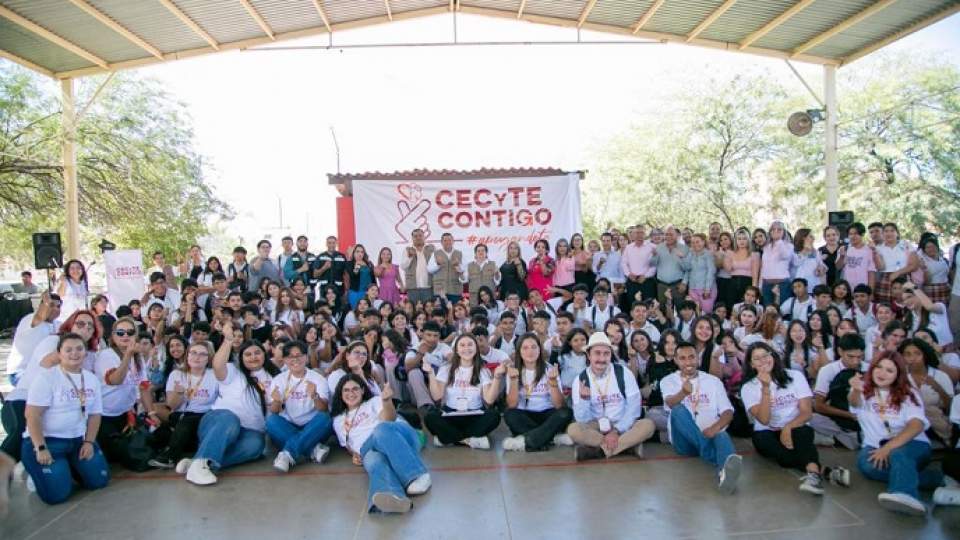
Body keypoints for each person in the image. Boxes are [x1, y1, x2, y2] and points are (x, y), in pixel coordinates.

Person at [740, 343, 846, 495]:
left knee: (802, 435)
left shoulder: (795, 376)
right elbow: (764, 420)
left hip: (796, 425)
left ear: (773, 356)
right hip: (766, 431)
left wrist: (788, 427)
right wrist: (765, 389)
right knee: (784, 457)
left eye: (765, 355)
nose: (763, 361)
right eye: (757, 359)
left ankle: (814, 477)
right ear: (751, 364)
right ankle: (826, 472)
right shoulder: (748, 387)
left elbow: (806, 412)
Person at [849, 350, 944, 516]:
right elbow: (854, 404)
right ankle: (937, 479)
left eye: (889, 370)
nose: (882, 373)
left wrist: (888, 449)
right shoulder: (864, 389)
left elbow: (916, 425)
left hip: (911, 443)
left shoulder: (909, 393)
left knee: (899, 455)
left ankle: (905, 494)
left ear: (898, 375)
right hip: (875, 444)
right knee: (867, 466)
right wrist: (856, 390)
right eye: (879, 367)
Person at [180, 321, 273, 485]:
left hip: (249, 431)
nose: (253, 357)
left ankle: (200, 462)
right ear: (241, 358)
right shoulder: (233, 371)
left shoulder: (275, 376)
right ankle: (200, 464)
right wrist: (228, 340)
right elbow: (217, 364)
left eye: (257, 352)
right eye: (248, 354)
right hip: (220, 422)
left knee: (257, 445)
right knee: (231, 418)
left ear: (264, 354)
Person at [21, 333, 110, 504]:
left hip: (78, 440)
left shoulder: (91, 379)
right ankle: (40, 470)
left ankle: (69, 467)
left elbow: (95, 414)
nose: (74, 353)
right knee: (58, 495)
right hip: (49, 442)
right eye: (68, 350)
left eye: (79, 349)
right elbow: (32, 415)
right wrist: (40, 447)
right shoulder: (47, 378)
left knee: (99, 481)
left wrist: (89, 442)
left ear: (85, 352)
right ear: (59, 353)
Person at [331, 374, 430, 514]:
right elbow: (348, 443)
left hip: (397, 438)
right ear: (340, 394)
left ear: (363, 390)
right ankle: (393, 496)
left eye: (355, 389)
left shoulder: (374, 402)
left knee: (380, 429)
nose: (351, 393)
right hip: (369, 449)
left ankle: (417, 475)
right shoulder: (338, 420)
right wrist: (354, 454)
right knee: (373, 460)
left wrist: (387, 400)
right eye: (346, 390)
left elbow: (389, 419)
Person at [661, 341, 742, 494]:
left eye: (691, 357)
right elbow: (670, 403)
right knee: (678, 410)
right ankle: (710, 453)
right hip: (683, 442)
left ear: (698, 359)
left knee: (722, 435)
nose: (688, 362)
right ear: (676, 360)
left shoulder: (713, 381)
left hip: (710, 433)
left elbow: (727, 412)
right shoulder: (668, 381)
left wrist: (715, 428)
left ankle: (724, 476)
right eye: (683, 358)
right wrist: (683, 393)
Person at [567, 332, 654, 461]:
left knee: (648, 425)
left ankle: (599, 451)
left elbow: (634, 407)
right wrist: (584, 400)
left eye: (606, 353)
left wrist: (616, 431)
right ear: (588, 355)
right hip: (596, 427)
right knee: (573, 430)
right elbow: (582, 419)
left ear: (611, 355)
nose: (602, 358)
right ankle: (626, 447)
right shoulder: (580, 380)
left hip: (623, 424)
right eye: (597, 353)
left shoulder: (624, 373)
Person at [94, 317, 155, 470]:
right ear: (113, 336)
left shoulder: (138, 357)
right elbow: (115, 380)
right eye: (120, 333)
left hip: (125, 415)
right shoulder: (106, 355)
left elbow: (144, 386)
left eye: (130, 332)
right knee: (119, 455)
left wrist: (151, 413)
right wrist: (127, 356)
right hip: (104, 417)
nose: (125, 336)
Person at [422, 334, 502, 449]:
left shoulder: (482, 370)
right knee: (430, 417)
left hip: (475, 415)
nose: (466, 348)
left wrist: (497, 378)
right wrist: (430, 374)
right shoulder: (446, 368)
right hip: (451, 415)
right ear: (457, 350)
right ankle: (469, 439)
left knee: (494, 415)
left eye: (470, 345)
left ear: (476, 348)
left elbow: (489, 400)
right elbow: (437, 396)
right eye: (462, 345)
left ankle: (448, 438)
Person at [148, 341, 219, 469]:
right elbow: (172, 405)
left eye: (203, 354)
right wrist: (179, 393)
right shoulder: (176, 374)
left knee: (187, 421)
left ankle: (169, 457)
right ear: (187, 355)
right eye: (193, 353)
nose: (197, 357)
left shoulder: (214, 375)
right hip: (179, 415)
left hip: (204, 415)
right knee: (178, 424)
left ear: (208, 358)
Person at [267, 340, 333, 472]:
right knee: (271, 420)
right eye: (290, 356)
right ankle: (313, 450)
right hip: (288, 425)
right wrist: (277, 401)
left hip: (313, 426)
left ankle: (287, 453)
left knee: (325, 418)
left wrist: (314, 396)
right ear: (285, 360)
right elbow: (274, 411)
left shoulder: (318, 378)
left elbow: (324, 409)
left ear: (306, 357)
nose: (295, 359)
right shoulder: (279, 380)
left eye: (299, 355)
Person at [502, 333, 573, 452]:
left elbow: (560, 405)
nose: (530, 351)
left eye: (534, 347)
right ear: (519, 351)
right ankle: (547, 437)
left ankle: (529, 440)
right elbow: (512, 404)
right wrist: (514, 380)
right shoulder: (513, 370)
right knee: (510, 414)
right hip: (524, 415)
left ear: (540, 350)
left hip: (547, 415)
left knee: (565, 413)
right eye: (525, 348)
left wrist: (553, 382)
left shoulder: (549, 369)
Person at [811, 333, 865, 450]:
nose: (855, 361)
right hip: (837, 419)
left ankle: (838, 440)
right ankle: (846, 439)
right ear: (840, 351)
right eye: (851, 357)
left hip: (865, 420)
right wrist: (850, 415)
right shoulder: (828, 370)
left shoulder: (869, 369)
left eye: (859, 357)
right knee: (810, 419)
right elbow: (819, 405)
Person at [621, 225, 657, 311]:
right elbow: (624, 263)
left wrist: (646, 276)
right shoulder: (628, 248)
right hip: (632, 281)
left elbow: (654, 264)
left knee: (649, 306)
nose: (639, 235)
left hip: (647, 281)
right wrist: (629, 274)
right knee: (633, 306)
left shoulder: (652, 247)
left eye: (642, 233)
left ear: (645, 234)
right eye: (637, 232)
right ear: (633, 234)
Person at [760, 221, 793, 306]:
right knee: (768, 310)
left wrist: (778, 241)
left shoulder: (789, 246)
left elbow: (784, 255)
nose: (776, 231)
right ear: (770, 232)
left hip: (782, 284)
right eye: (773, 229)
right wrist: (760, 284)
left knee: (783, 309)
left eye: (779, 229)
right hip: (767, 284)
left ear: (784, 232)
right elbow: (764, 266)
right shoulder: (766, 247)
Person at [682, 233, 716, 313]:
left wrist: (707, 289)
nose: (695, 244)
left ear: (703, 242)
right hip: (692, 288)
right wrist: (684, 282)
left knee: (706, 312)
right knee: (694, 312)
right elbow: (687, 269)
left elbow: (711, 272)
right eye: (693, 242)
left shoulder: (708, 255)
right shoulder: (690, 254)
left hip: (706, 289)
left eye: (697, 242)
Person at [401, 228, 436, 305]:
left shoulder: (432, 248)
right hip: (413, 288)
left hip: (429, 287)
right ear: (412, 238)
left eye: (420, 235)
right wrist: (409, 257)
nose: (418, 238)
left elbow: (436, 266)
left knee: (429, 310)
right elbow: (403, 267)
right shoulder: (407, 250)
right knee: (413, 311)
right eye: (415, 236)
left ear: (424, 237)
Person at [432, 232, 464, 303]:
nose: (447, 242)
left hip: (455, 289)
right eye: (445, 240)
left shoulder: (460, 253)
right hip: (440, 290)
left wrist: (458, 266)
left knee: (455, 310)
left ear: (453, 241)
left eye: (449, 240)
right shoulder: (435, 253)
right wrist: (438, 264)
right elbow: (430, 269)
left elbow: (465, 272)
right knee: (441, 312)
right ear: (441, 242)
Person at [467, 244, 498, 308]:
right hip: (474, 297)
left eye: (483, 251)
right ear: (475, 253)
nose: (481, 252)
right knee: (475, 315)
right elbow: (464, 280)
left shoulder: (493, 264)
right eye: (478, 251)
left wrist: (497, 274)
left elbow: (497, 281)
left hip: (489, 296)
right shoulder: (469, 265)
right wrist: (461, 273)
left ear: (486, 253)